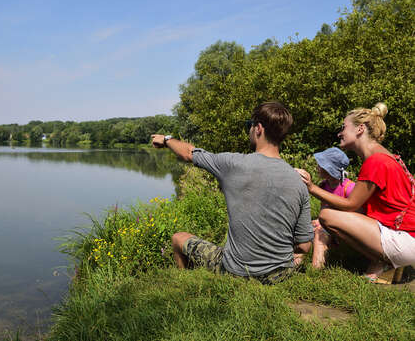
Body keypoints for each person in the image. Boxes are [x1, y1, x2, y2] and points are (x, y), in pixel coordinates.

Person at [151, 102, 313, 284]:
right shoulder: (299, 182)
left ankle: (186, 285)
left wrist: (166, 139)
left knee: (178, 238)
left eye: (250, 125)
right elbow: (304, 246)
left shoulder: (232, 164)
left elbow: (189, 153)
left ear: (258, 128)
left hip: (237, 272)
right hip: (279, 276)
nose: (250, 130)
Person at [296, 102, 415, 283]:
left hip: (405, 240)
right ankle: (389, 262)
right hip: (406, 235)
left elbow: (351, 204)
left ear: (360, 129)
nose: (340, 133)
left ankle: (385, 262)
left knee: (327, 216)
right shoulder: (386, 156)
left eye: (344, 127)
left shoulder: (375, 161)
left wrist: (312, 188)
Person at [310, 147, 355, 269]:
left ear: (329, 170)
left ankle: (315, 270)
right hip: (326, 225)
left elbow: (355, 216)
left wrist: (322, 225)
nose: (317, 167)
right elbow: (323, 209)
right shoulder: (324, 186)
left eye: (321, 165)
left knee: (320, 233)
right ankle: (295, 262)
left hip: (344, 230)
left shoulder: (349, 188)